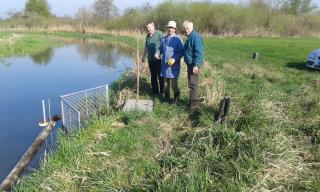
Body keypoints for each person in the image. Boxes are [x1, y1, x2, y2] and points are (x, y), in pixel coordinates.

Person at [156, 21, 184, 104]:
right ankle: (166, 99)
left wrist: (175, 59)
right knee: (165, 83)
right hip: (165, 65)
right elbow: (160, 48)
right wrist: (157, 53)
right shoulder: (164, 39)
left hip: (173, 66)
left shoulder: (178, 39)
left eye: (172, 28)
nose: (170, 29)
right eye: (169, 27)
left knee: (174, 83)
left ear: (175, 29)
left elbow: (182, 51)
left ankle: (176, 99)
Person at [182, 20, 204, 110]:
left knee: (193, 85)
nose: (186, 30)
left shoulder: (195, 37)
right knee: (191, 84)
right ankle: (191, 102)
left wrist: (196, 65)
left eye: (188, 28)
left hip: (193, 65)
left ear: (192, 27)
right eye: (185, 28)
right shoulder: (189, 37)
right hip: (190, 64)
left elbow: (199, 52)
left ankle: (193, 106)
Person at [141, 22, 164, 95]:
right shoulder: (147, 36)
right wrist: (143, 56)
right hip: (150, 59)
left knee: (160, 75)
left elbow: (164, 44)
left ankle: (162, 91)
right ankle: (155, 91)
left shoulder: (159, 33)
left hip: (159, 59)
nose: (148, 29)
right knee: (153, 76)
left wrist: (160, 53)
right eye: (147, 28)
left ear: (153, 27)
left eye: (149, 27)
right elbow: (146, 47)